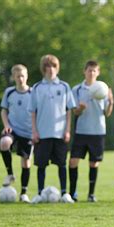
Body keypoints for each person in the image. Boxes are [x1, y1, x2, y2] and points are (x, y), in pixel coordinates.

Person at [29, 54, 76, 204]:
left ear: (57, 68)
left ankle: (64, 193)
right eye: (47, 66)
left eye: (53, 66)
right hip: (42, 134)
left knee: (62, 164)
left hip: (60, 133)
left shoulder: (64, 86)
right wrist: (34, 131)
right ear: (43, 69)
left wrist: (67, 130)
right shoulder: (37, 88)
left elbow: (69, 111)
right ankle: (40, 193)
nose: (51, 69)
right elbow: (33, 112)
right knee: (41, 165)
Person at [68, 60, 114, 202]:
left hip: (98, 131)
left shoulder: (104, 89)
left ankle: (91, 195)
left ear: (98, 72)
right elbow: (75, 112)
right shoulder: (77, 89)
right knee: (73, 161)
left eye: (94, 70)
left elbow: (107, 113)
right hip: (81, 131)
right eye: (89, 70)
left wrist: (111, 102)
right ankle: (72, 194)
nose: (92, 73)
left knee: (94, 163)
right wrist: (80, 108)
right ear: (85, 71)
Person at [0, 64, 33, 203]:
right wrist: (6, 125)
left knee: (26, 163)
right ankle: (10, 174)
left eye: (23, 76)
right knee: (4, 142)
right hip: (13, 129)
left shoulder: (33, 92)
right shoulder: (9, 92)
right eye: (17, 76)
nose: (20, 78)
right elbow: (3, 110)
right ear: (14, 77)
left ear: (26, 76)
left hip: (28, 132)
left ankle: (24, 193)